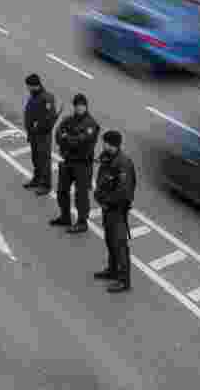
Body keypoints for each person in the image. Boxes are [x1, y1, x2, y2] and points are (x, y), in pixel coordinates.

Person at [93, 130, 137, 293]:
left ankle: (124, 280)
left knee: (120, 244)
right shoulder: (107, 157)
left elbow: (124, 192)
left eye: (105, 142)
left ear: (113, 144)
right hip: (107, 208)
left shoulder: (123, 163)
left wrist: (107, 201)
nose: (103, 145)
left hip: (116, 210)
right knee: (110, 240)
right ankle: (112, 270)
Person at [50, 93, 100, 233]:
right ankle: (65, 217)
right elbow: (59, 134)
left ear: (86, 106)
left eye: (82, 106)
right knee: (61, 191)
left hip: (83, 164)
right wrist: (67, 139)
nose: (79, 108)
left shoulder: (91, 124)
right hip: (68, 161)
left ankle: (82, 222)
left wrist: (68, 138)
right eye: (77, 106)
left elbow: (83, 142)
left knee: (81, 195)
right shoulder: (69, 120)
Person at [22, 74, 58, 195]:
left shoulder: (47, 98)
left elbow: (50, 118)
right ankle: (37, 179)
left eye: (28, 86)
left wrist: (38, 127)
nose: (27, 88)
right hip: (33, 134)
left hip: (42, 135)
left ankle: (46, 185)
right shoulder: (34, 96)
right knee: (35, 158)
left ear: (34, 86)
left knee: (44, 160)